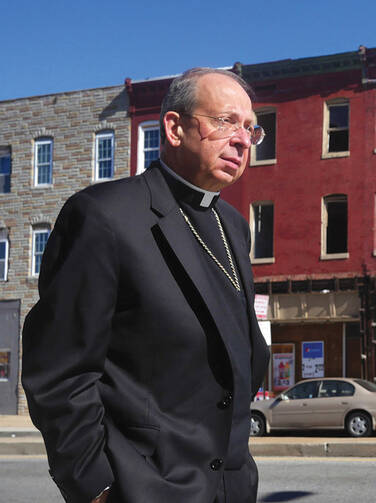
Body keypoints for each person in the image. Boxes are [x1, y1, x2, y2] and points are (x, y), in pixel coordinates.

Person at [22, 68, 270, 503]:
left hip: (231, 489)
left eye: (251, 128)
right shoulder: (104, 215)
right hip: (141, 488)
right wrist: (94, 487)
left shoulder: (233, 226)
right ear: (174, 128)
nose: (242, 140)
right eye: (226, 121)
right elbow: (59, 372)